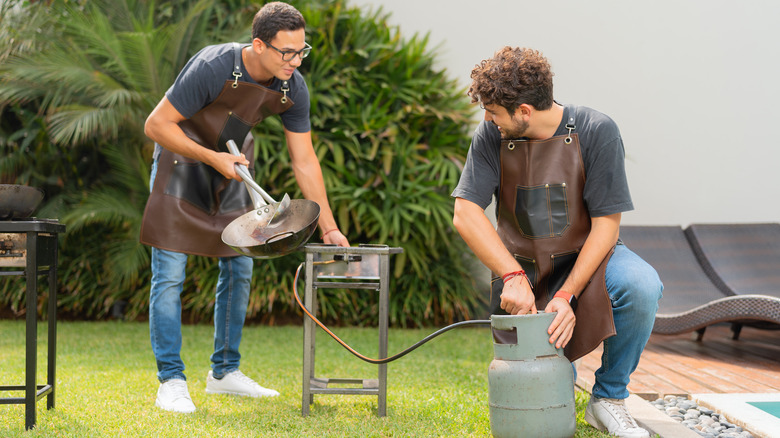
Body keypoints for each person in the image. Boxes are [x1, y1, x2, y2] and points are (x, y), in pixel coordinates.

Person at [139, 2, 349, 414]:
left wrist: (328, 226)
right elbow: (156, 125)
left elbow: (304, 160)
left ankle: (224, 373)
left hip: (233, 167)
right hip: (181, 163)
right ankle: (171, 380)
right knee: (169, 274)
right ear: (258, 44)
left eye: (301, 51)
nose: (295, 61)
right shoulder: (214, 66)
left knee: (240, 265)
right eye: (286, 52)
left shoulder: (292, 86)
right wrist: (211, 157)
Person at [452, 47, 662, 438]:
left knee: (642, 285)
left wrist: (566, 295)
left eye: (494, 112)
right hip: (524, 272)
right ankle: (564, 378)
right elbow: (465, 212)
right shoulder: (490, 137)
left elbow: (606, 226)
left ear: (524, 112)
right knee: (545, 402)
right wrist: (511, 275)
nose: (487, 120)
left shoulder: (596, 130)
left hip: (592, 260)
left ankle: (609, 399)